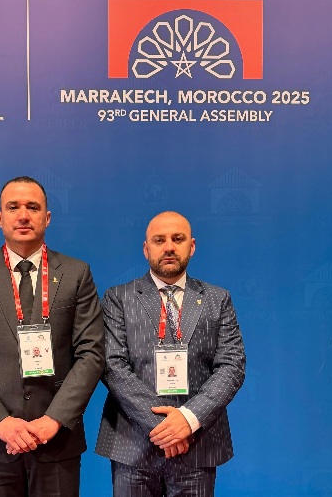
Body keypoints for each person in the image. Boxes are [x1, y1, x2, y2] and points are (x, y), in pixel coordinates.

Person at [0, 176, 105, 497]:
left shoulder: (76, 273)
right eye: (13, 207)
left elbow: (91, 354)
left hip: (57, 439)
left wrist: (54, 419)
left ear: (47, 217)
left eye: (33, 207)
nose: (23, 215)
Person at [95, 211, 245, 496]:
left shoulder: (218, 299)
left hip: (197, 443)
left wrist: (188, 419)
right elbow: (112, 366)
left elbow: (232, 366)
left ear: (192, 246)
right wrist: (165, 428)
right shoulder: (118, 298)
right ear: (146, 248)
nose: (169, 247)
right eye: (159, 240)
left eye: (178, 239)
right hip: (133, 444)